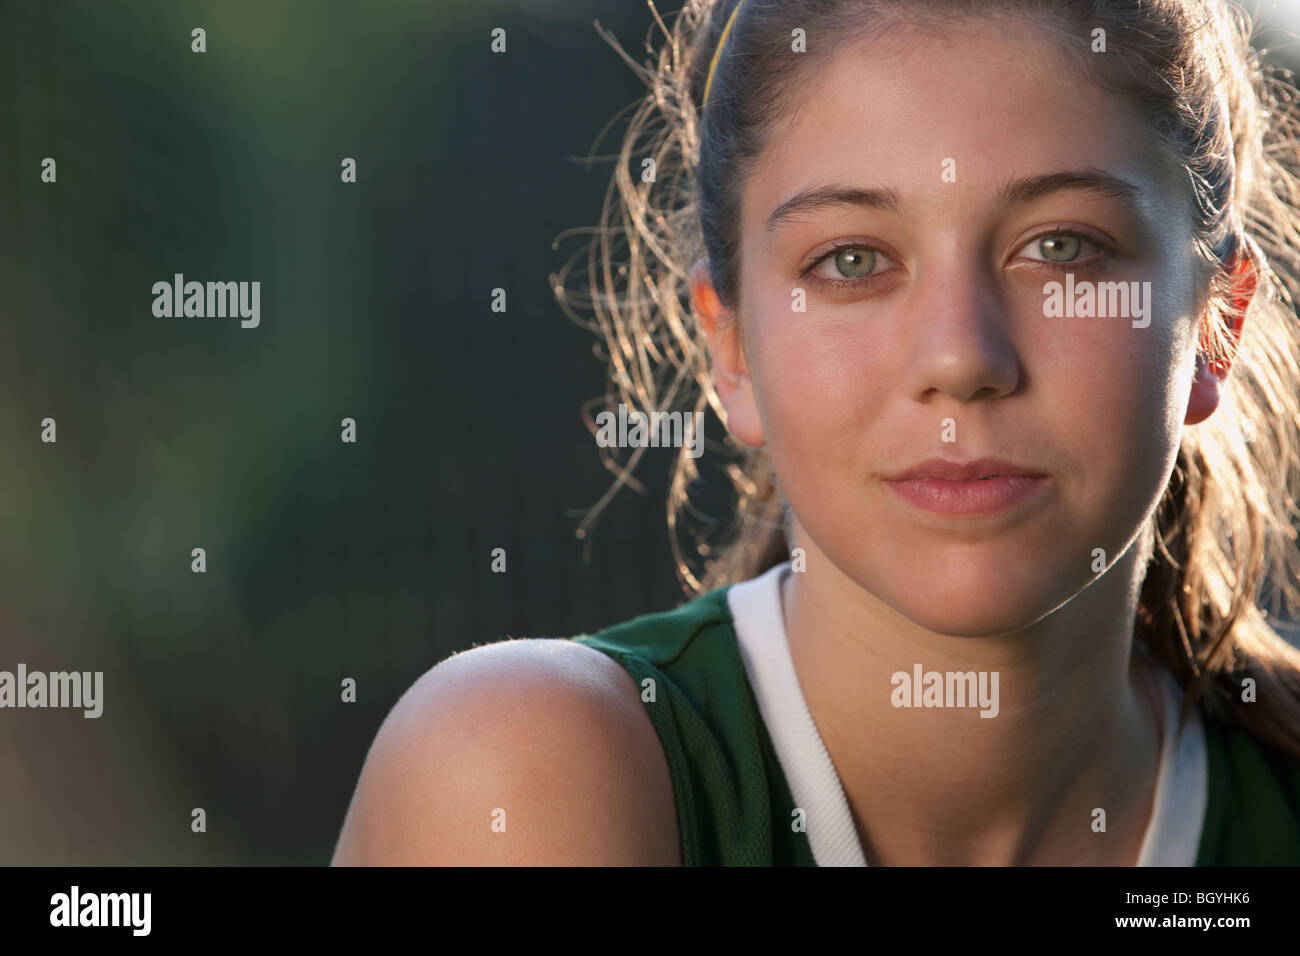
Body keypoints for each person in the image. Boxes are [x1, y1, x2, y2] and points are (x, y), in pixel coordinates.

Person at [331, 0, 1300, 865]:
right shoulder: (521, 770)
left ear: (1216, 325)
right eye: (850, 259)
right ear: (732, 349)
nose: (961, 358)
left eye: (1060, 247)